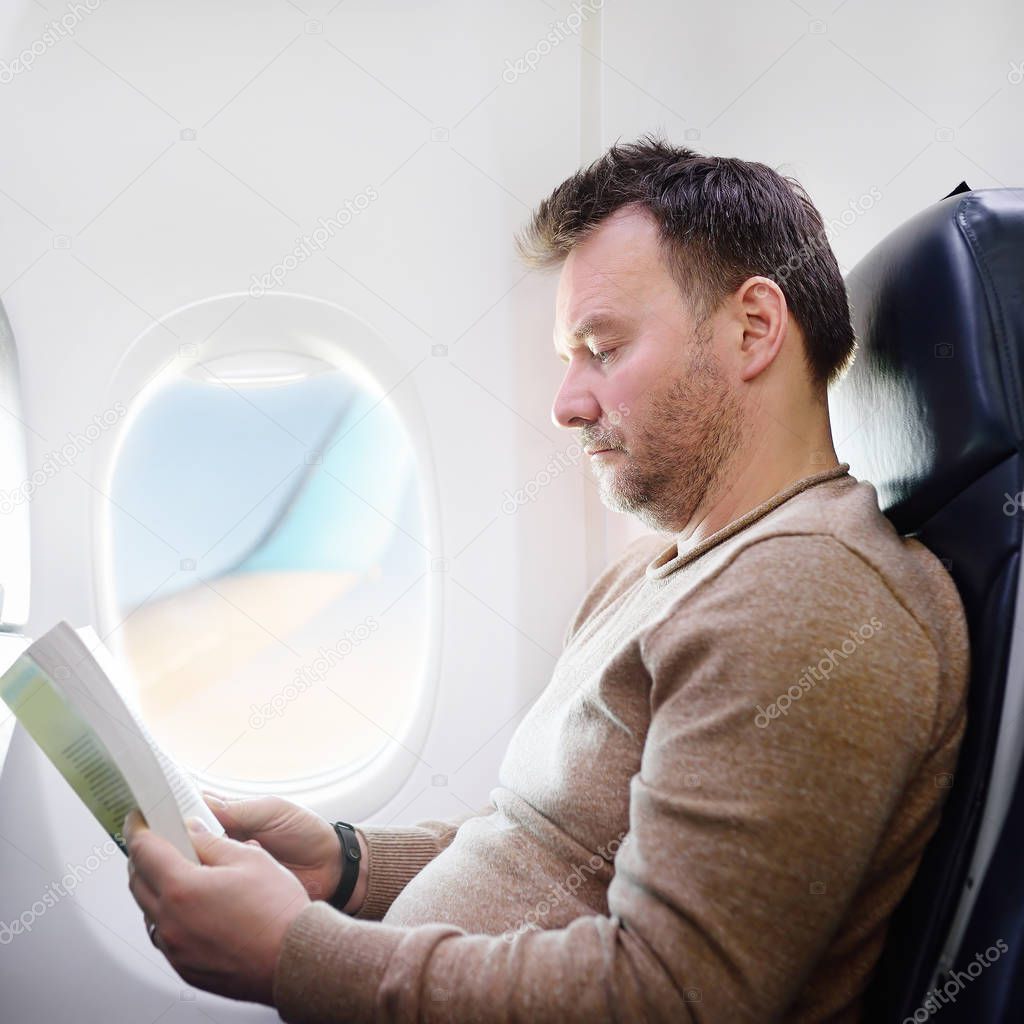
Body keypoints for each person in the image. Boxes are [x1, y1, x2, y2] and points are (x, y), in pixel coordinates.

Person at [124, 133, 969, 1022]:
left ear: (754, 329)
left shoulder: (810, 597)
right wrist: (346, 865)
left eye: (600, 349)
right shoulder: (663, 572)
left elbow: (672, 998)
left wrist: (292, 956)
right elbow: (565, 848)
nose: (566, 403)